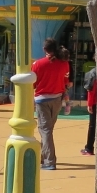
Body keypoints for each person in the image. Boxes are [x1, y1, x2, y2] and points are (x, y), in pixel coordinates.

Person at [31, 38, 71, 170]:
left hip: (42, 100)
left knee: (45, 130)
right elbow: (66, 81)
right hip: (57, 98)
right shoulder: (64, 63)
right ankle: (44, 156)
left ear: (44, 49)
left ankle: (49, 161)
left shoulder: (37, 64)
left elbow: (33, 83)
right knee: (47, 130)